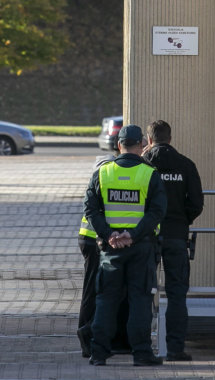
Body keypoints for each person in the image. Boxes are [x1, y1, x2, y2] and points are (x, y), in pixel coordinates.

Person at [84, 124, 166, 366]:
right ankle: (141, 353)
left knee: (106, 301)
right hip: (140, 249)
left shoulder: (103, 173)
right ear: (141, 146)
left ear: (119, 145)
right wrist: (133, 235)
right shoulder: (150, 174)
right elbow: (157, 212)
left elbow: (91, 209)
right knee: (140, 301)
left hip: (111, 249)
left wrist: (109, 235)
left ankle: (98, 353)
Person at [142, 120, 203, 361]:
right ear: (170, 138)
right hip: (177, 235)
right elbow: (196, 203)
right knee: (177, 293)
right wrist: (182, 220)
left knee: (143, 291)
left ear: (149, 140)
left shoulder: (145, 164)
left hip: (148, 236)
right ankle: (176, 349)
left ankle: (142, 346)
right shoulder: (186, 165)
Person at [77, 141, 130, 358]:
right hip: (95, 238)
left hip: (91, 238)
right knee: (97, 290)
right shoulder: (107, 171)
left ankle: (92, 335)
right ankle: (87, 336)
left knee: (96, 288)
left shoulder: (103, 168)